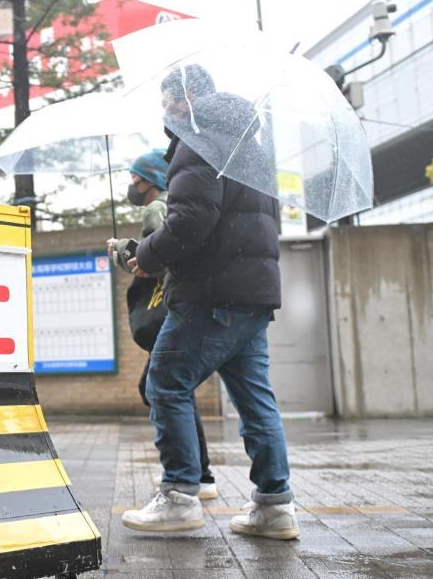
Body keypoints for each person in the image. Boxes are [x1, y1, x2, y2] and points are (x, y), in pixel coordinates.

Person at [120, 65, 298, 539]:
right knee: (255, 399)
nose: (165, 110)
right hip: (253, 294)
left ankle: (180, 496)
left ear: (187, 98)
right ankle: (275, 506)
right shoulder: (250, 147)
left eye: (168, 100)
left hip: (210, 294)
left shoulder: (198, 141)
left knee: (166, 384)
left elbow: (191, 219)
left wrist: (146, 255)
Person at [109, 149, 217, 501]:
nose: (131, 184)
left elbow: (156, 260)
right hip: (195, 307)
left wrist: (122, 250)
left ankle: (186, 479)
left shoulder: (159, 206)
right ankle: (201, 475)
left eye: (135, 177)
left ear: (149, 180)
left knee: (161, 389)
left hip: (175, 308)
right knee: (171, 390)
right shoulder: (182, 203)